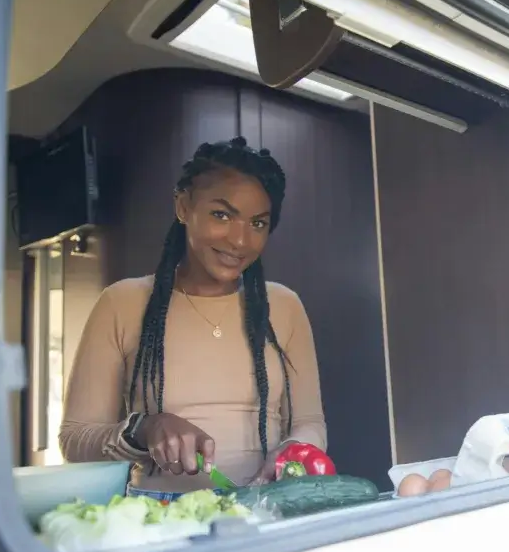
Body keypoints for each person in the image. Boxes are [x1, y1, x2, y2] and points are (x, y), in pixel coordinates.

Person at [59, 136, 331, 500]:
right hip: (158, 516)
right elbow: (75, 440)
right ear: (183, 207)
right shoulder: (121, 303)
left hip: (267, 507)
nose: (239, 240)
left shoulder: (284, 307)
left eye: (258, 223)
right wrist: (145, 429)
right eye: (222, 215)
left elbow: (310, 422)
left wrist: (293, 451)